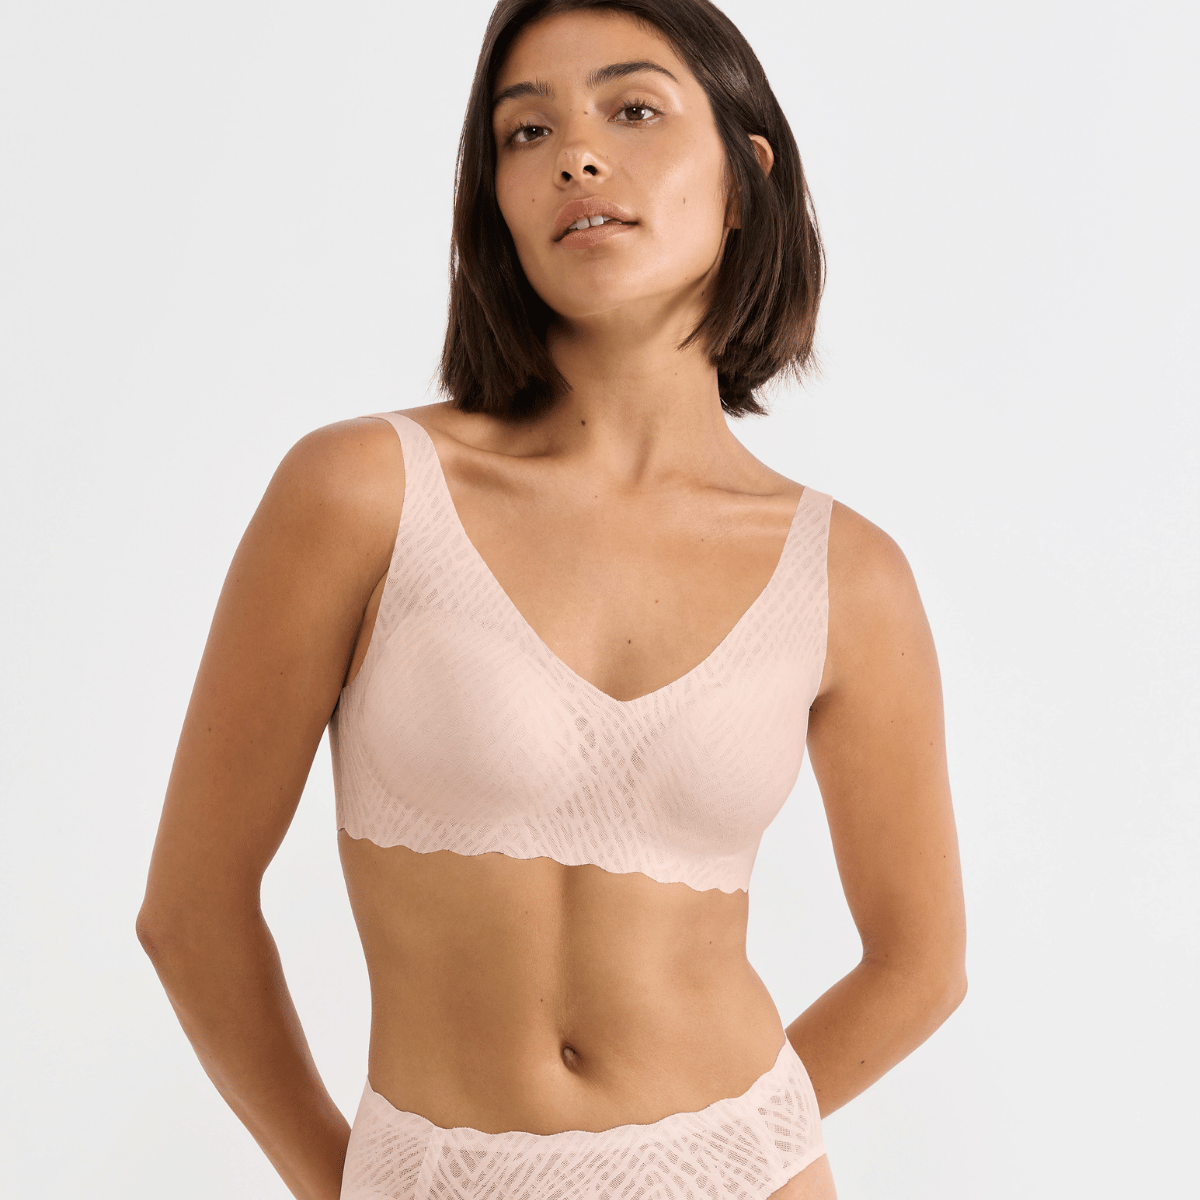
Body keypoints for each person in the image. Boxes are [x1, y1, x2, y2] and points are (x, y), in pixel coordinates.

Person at [136, 1, 967, 1197]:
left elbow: (922, 963)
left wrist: (723, 1154)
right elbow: (191, 912)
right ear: (498, 201)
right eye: (526, 132)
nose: (577, 154)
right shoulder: (363, 493)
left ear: (747, 178)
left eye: (633, 110)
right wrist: (351, 1184)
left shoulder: (846, 572)